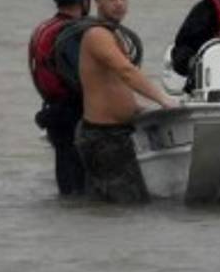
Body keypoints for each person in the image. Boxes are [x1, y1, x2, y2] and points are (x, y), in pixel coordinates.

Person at [76, 11, 179, 204]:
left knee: (109, 209)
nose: (118, 4)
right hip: (102, 137)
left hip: (116, 134)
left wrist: (135, 106)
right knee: (129, 206)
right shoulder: (97, 34)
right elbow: (126, 71)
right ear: (97, 1)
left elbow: (113, 82)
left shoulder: (113, 34)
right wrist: (163, 99)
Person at [28, 0, 95, 195]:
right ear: (83, 1)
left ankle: (68, 208)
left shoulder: (45, 27)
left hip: (53, 109)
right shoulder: (71, 32)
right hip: (71, 112)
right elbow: (82, 73)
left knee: (65, 172)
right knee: (78, 179)